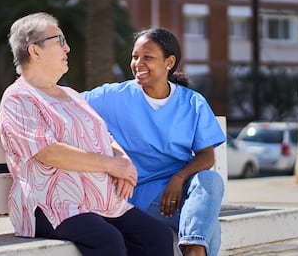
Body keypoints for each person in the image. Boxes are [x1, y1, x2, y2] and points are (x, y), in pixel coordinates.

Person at [0, 13, 174, 256]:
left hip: (100, 202)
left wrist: (124, 164)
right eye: (59, 40)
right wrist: (112, 165)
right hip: (51, 205)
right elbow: (48, 152)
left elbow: (105, 135)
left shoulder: (72, 96)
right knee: (107, 241)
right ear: (34, 51)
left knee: (157, 236)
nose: (67, 48)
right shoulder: (19, 97)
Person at [82, 27, 226, 256]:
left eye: (147, 57)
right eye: (135, 56)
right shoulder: (113, 97)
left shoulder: (192, 102)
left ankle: (195, 249)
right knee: (208, 227)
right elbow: (68, 104)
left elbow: (206, 156)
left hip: (180, 191)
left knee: (210, 180)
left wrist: (179, 179)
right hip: (138, 195)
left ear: (169, 62)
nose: (138, 63)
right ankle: (195, 250)